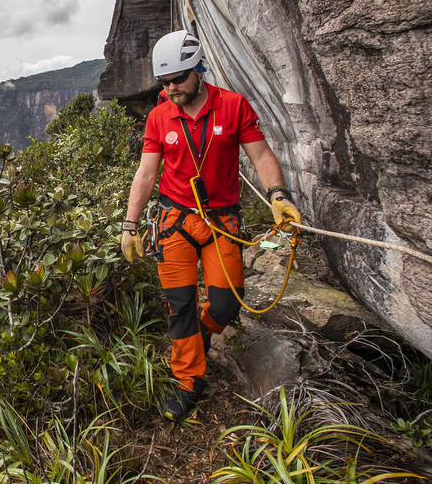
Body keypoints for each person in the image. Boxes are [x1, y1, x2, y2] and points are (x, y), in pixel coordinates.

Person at [120, 30, 301, 421]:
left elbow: (261, 155)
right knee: (180, 303)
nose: (171, 88)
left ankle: (200, 336)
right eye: (164, 82)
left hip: (220, 221)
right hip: (176, 222)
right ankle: (189, 382)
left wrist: (278, 195)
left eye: (179, 79)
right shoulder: (159, 116)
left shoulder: (233, 106)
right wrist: (129, 224)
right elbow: (146, 173)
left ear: (199, 70)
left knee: (225, 303)